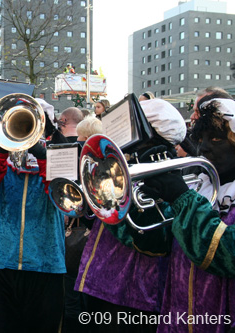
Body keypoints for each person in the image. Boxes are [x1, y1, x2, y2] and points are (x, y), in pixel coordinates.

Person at [75, 98, 187, 333]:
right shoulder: (122, 165)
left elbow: (155, 242)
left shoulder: (167, 174)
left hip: (132, 295)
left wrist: (112, 206)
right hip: (97, 280)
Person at [133, 98, 235, 332]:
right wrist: (150, 204)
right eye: (199, 139)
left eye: (215, 138)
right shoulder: (200, 183)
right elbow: (159, 244)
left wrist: (181, 197)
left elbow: (231, 254)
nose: (203, 148)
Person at [0, 99, 65, 332]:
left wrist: (44, 156)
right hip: (1, 261)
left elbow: (63, 197)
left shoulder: (59, 154)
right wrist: (1, 149)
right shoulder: (0, 155)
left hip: (46, 263)